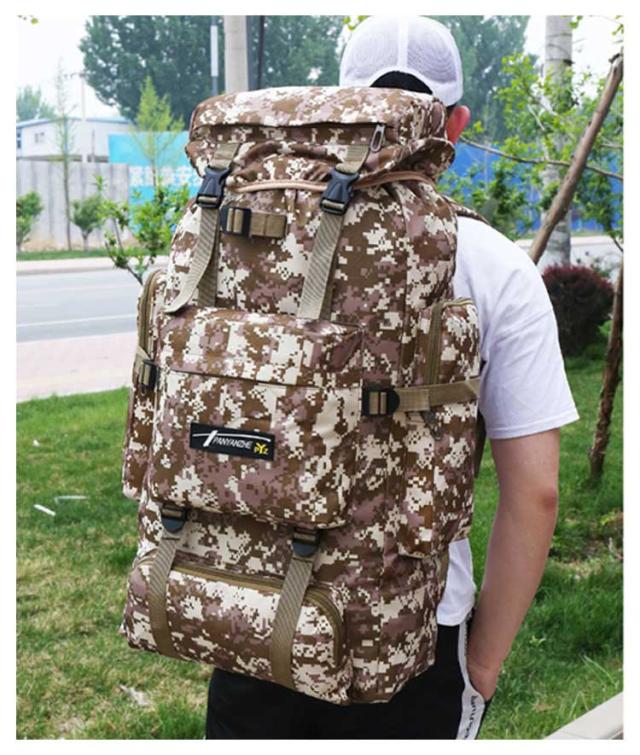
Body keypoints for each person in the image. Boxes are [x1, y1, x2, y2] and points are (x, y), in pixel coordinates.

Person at [206, 16, 579, 739]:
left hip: (252, 605)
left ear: (338, 111)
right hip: (413, 634)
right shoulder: (495, 265)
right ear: (457, 126)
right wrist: (483, 665)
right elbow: (535, 493)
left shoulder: (250, 236)